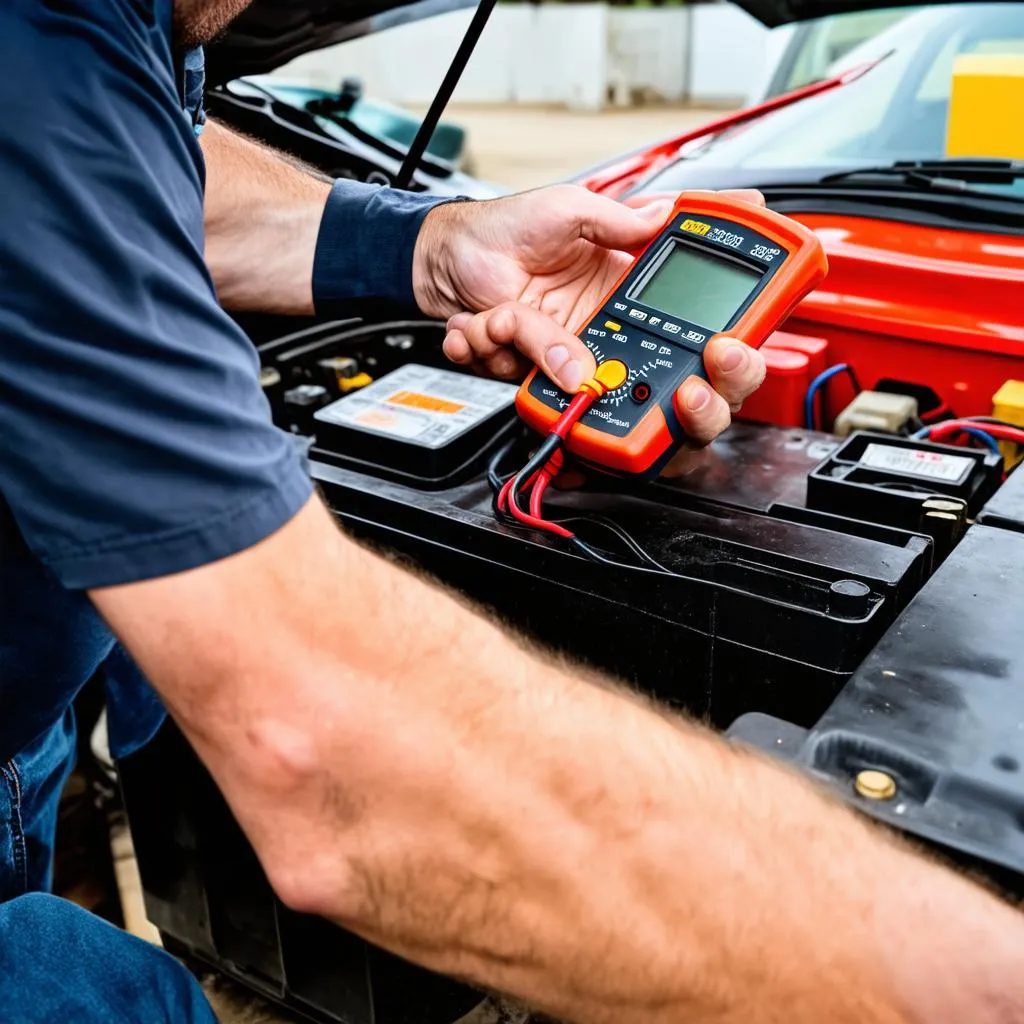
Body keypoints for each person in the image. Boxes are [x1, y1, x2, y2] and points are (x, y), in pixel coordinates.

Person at [1, 2, 1023, 1022]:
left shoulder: (114, 38)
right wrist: (968, 981)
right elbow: (316, 753)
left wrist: (429, 242)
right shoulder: (37, 49)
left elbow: (145, 166)